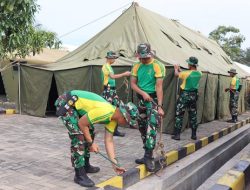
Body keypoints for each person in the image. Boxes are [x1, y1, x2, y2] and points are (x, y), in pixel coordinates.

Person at [54, 90, 139, 187]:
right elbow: (81, 123)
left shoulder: (113, 119)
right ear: (124, 116)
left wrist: (115, 165)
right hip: (67, 102)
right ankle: (79, 175)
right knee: (79, 137)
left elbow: (109, 141)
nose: (126, 124)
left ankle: (85, 165)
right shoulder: (106, 111)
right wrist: (91, 143)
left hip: (76, 105)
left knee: (89, 132)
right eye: (128, 122)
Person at [131, 43, 165, 172]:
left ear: (150, 54)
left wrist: (160, 106)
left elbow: (159, 87)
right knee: (142, 128)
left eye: (144, 57)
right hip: (141, 100)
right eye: (140, 57)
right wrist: (143, 93)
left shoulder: (158, 65)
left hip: (154, 101)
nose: (142, 60)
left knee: (151, 128)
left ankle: (149, 157)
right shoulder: (136, 66)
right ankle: (146, 153)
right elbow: (133, 84)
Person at [171, 56, 202, 141]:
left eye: (188, 63)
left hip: (185, 95)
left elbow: (176, 75)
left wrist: (176, 69)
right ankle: (194, 135)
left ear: (191, 64)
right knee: (193, 115)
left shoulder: (186, 73)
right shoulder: (199, 73)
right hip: (194, 96)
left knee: (179, 114)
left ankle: (177, 135)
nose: (187, 64)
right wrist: (181, 71)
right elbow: (187, 74)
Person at [101, 51, 131, 137]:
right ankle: (112, 130)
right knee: (113, 110)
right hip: (109, 91)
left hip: (111, 91)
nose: (114, 60)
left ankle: (114, 130)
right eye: (113, 58)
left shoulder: (108, 66)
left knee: (116, 109)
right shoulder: (106, 66)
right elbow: (112, 77)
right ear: (109, 58)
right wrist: (124, 74)